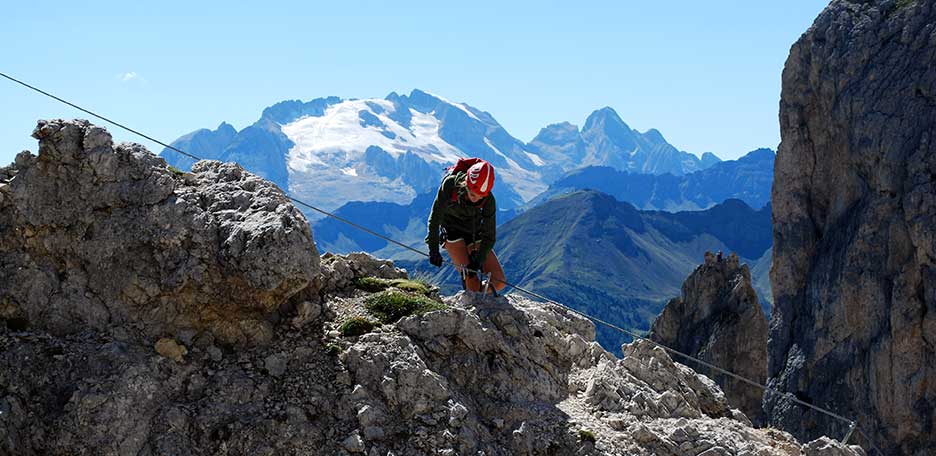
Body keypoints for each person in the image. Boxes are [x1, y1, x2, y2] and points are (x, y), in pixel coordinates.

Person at [425, 158, 506, 294]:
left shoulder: (488, 200)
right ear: (466, 183)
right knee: (470, 280)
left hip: (475, 233)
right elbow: (435, 218)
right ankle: (474, 295)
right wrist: (433, 250)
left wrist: (478, 260)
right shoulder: (450, 185)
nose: (476, 198)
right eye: (473, 194)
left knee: (499, 282)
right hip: (452, 232)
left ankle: (477, 294)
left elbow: (489, 236)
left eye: (481, 196)